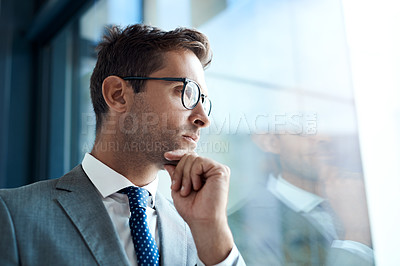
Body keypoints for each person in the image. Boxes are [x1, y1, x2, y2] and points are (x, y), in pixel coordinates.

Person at [0, 24, 245, 266]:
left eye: (203, 100)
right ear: (118, 94)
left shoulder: (200, 235)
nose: (204, 118)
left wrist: (214, 237)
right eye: (186, 93)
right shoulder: (12, 214)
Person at [229, 132, 374, 265]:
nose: (325, 137)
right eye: (305, 129)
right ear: (270, 141)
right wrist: (356, 237)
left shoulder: (377, 196)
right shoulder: (238, 229)